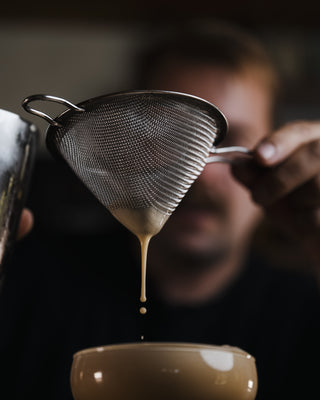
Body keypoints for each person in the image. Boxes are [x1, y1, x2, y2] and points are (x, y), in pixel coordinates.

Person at [1, 21, 320, 400]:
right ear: (122, 144)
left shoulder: (305, 313)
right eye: (170, 136)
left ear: (273, 152)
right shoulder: (28, 285)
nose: (199, 174)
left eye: (228, 140)